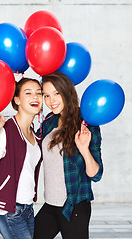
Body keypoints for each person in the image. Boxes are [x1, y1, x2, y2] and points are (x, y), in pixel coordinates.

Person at [34, 72, 104, 239]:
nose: (51, 101)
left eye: (57, 93)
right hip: (50, 204)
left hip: (74, 206)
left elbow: (96, 174)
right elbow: (32, 148)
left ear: (67, 92)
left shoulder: (86, 123)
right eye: (46, 95)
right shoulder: (49, 121)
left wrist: (84, 148)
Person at [0, 77, 43, 239]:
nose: (35, 97)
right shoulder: (7, 130)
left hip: (27, 209)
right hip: (9, 211)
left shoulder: (36, 135)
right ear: (17, 100)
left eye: (39, 93)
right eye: (28, 93)